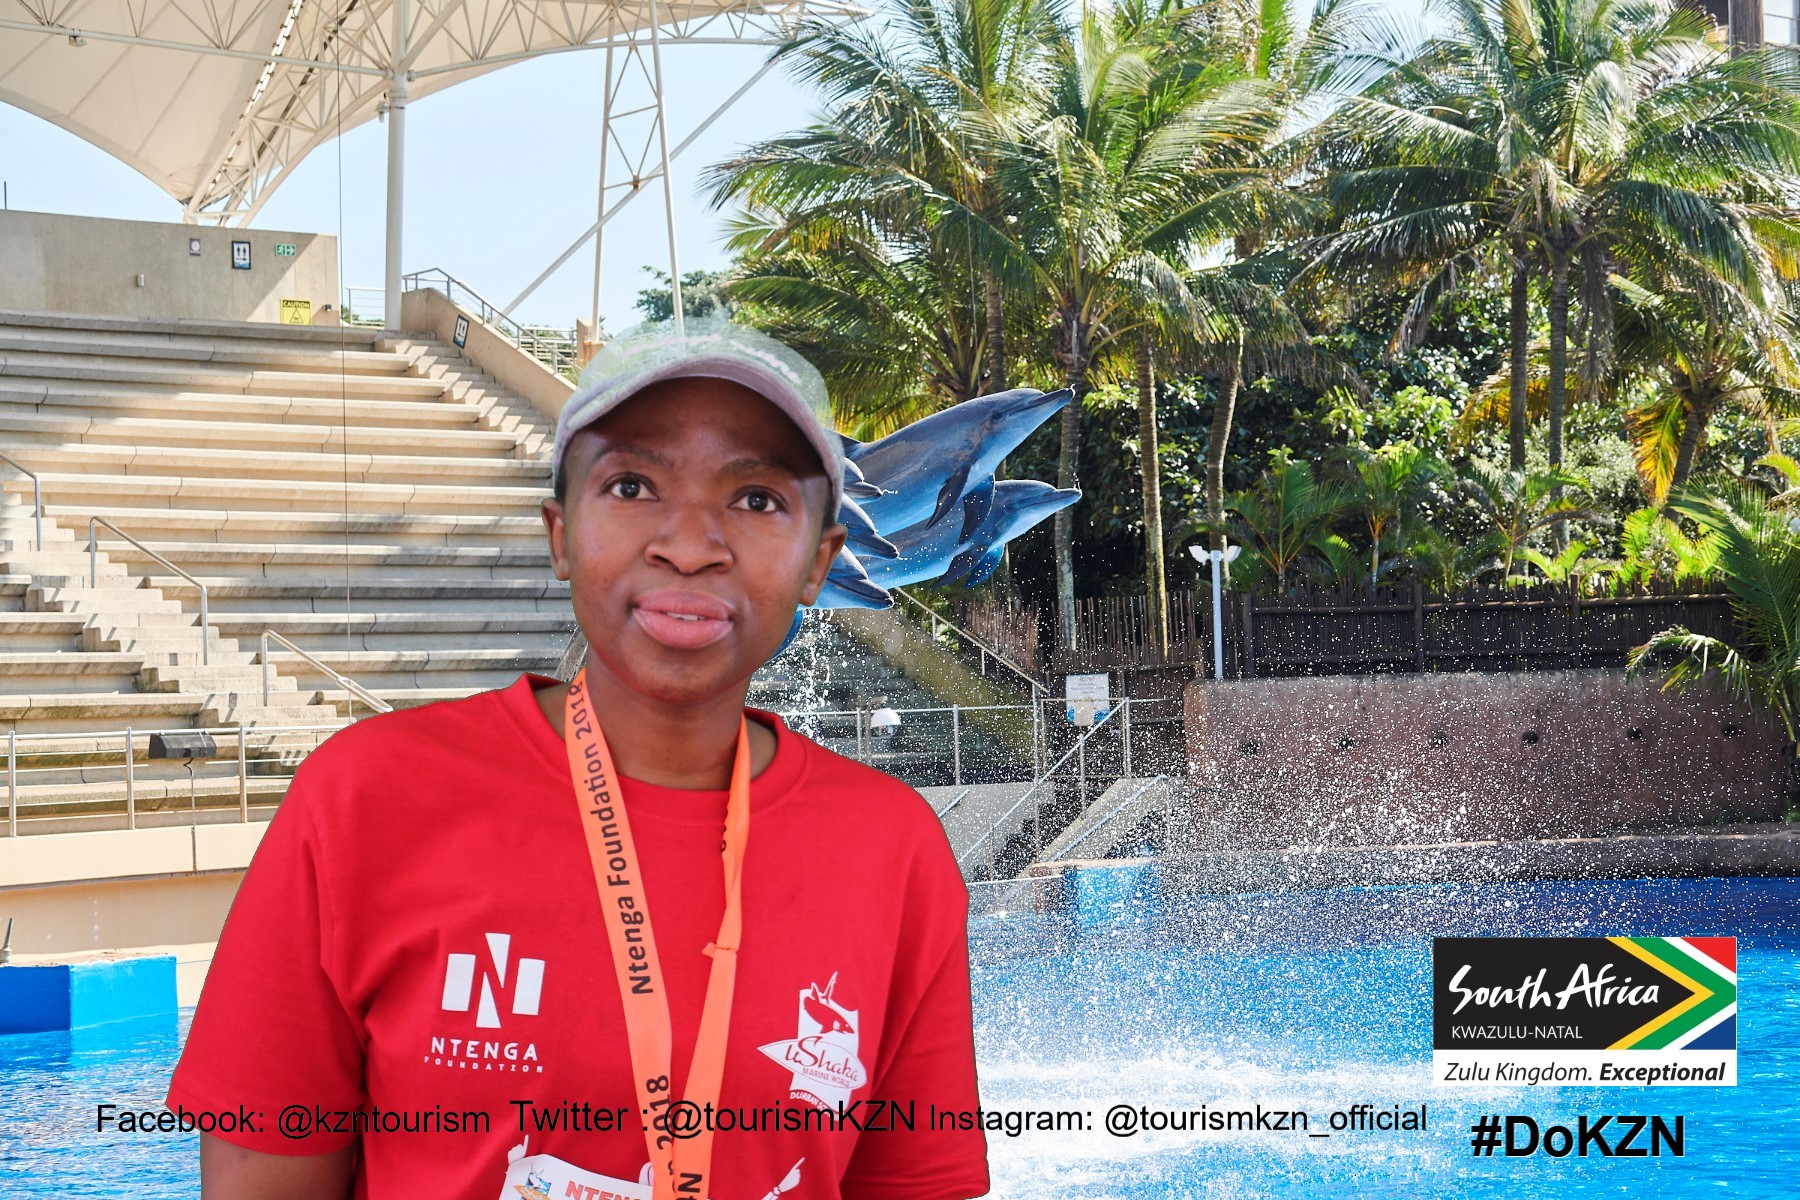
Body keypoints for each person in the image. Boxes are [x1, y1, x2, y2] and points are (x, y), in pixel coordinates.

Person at [165, 317, 992, 1200]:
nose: (690, 544)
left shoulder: (892, 849)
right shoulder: (367, 800)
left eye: (757, 500)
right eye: (632, 485)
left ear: (818, 563)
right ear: (560, 535)